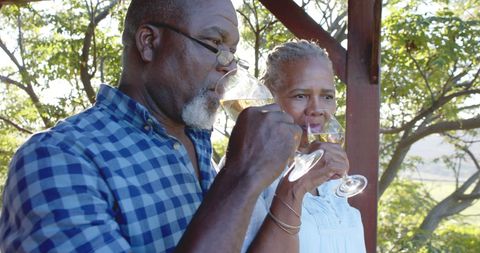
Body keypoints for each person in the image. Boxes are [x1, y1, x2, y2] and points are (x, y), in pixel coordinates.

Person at [0, 1, 344, 253]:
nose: (228, 67)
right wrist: (242, 175)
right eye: (214, 45)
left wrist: (291, 190)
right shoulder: (58, 159)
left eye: (232, 52)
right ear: (149, 42)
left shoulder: (199, 150)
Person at [242, 40, 366, 253]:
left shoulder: (329, 175)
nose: (317, 109)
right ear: (270, 99)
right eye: (300, 96)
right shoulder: (249, 172)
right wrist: (295, 188)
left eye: (327, 96)